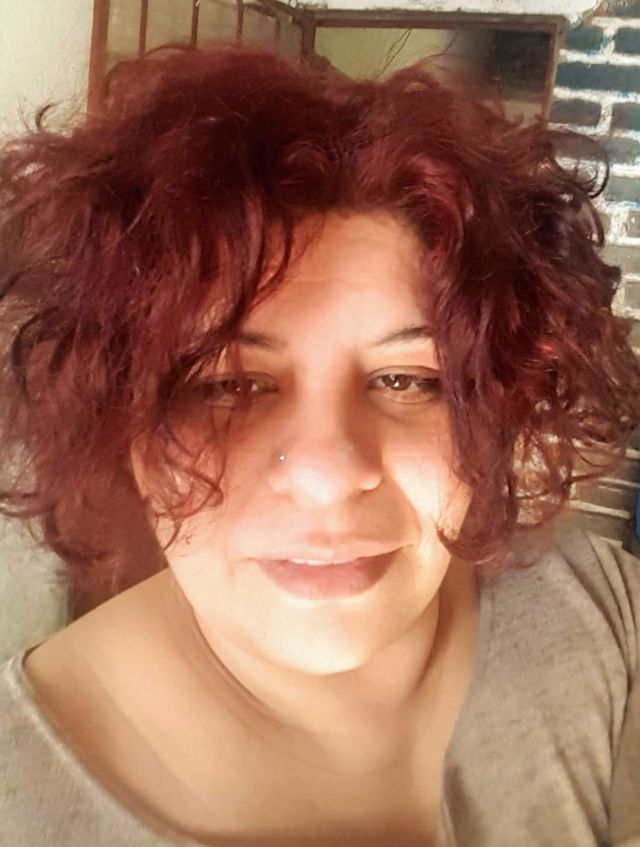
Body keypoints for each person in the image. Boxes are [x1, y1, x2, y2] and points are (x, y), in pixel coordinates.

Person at [0, 43, 639, 847]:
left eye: (408, 379)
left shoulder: (601, 612)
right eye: (228, 385)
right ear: (119, 418)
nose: (329, 474)